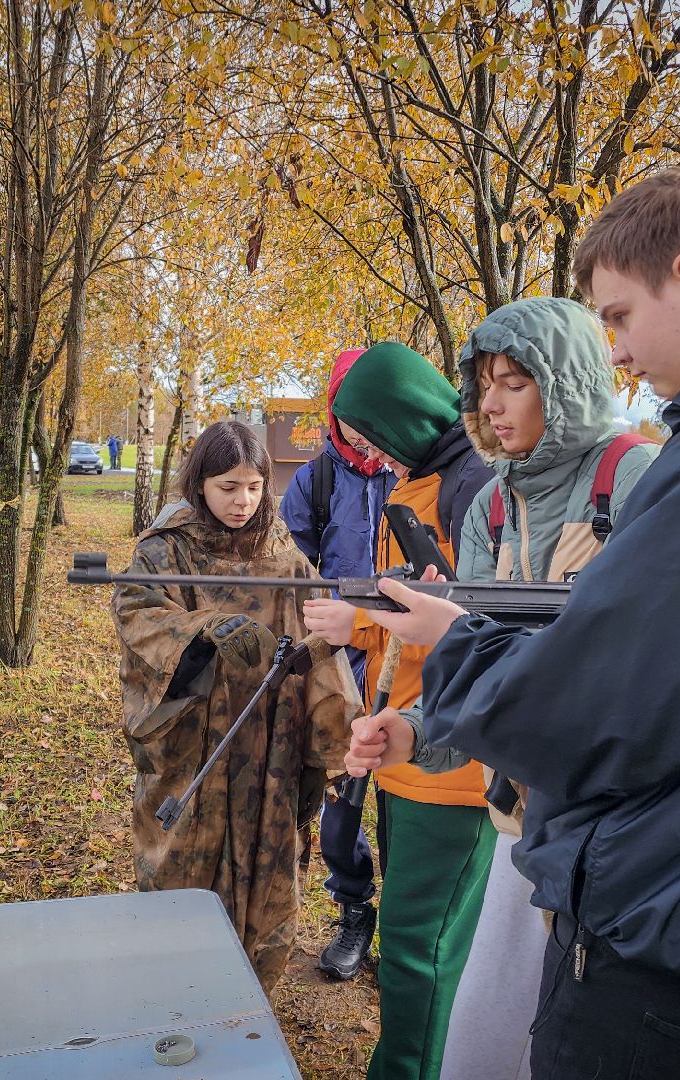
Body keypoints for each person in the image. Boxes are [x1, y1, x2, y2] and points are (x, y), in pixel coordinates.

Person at [346, 167, 680, 1079]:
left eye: (619, 316)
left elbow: (603, 706)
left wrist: (454, 640)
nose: (615, 351)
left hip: (673, 921)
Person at [432, 296, 659, 1080]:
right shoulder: (491, 504)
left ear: (564, 383)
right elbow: (466, 658)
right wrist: (411, 734)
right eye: (483, 384)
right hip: (519, 816)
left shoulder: (636, 477)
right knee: (485, 1042)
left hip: (618, 835)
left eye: (515, 382)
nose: (489, 404)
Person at [301, 341, 495, 1080]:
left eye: (370, 433)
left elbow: (463, 624)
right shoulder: (429, 478)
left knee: (421, 945)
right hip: (409, 743)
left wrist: (356, 623)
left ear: (400, 416)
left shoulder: (468, 489)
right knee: (418, 943)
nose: (366, 451)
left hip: (450, 761)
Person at [112, 420, 361, 991]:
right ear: (200, 483)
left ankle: (247, 1003)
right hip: (193, 755)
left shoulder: (284, 554)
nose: (242, 501)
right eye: (227, 486)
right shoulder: (164, 551)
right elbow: (138, 618)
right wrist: (202, 630)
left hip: (270, 753)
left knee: (267, 876)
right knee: (181, 874)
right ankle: (174, 995)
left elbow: (321, 639)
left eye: (252, 486)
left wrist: (339, 740)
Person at [279, 348, 397, 980]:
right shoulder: (314, 482)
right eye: (350, 415)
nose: (362, 431)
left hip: (408, 657)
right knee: (343, 797)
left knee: (405, 797)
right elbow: (290, 574)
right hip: (338, 662)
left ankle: (406, 922)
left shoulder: (413, 472)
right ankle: (355, 909)